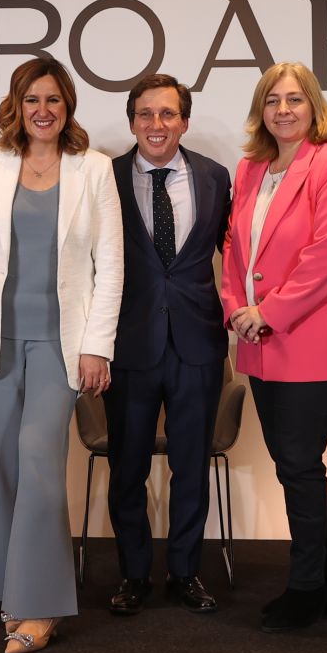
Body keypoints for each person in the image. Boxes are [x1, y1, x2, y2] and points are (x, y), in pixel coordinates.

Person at [0, 56, 122, 653]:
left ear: (67, 106)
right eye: (32, 100)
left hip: (60, 344)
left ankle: (40, 604)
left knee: (40, 465)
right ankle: (7, 591)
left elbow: (110, 267)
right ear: (16, 107)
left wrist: (97, 346)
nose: (42, 111)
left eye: (53, 100)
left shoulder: (94, 168)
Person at [220, 61, 327, 635]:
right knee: (290, 463)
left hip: (311, 337)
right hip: (260, 341)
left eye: (294, 100)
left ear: (313, 106)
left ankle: (307, 587)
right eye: (272, 100)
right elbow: (234, 249)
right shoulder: (251, 169)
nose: (283, 110)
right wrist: (237, 308)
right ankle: (318, 580)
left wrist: (268, 312)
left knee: (300, 463)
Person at [104, 73, 232, 617]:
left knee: (191, 467)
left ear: (184, 121)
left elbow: (237, 254)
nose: (156, 125)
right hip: (128, 345)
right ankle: (133, 574)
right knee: (127, 468)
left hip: (196, 344)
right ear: (132, 121)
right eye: (145, 114)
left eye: (168, 114)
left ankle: (185, 571)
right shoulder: (104, 176)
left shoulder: (215, 176)